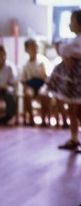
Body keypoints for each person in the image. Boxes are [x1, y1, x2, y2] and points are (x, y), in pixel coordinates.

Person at [47, 9, 81, 153]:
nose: (69, 24)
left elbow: (63, 49)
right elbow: (63, 49)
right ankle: (74, 139)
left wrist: (65, 54)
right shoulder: (75, 40)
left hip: (78, 82)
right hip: (73, 83)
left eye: (72, 22)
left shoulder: (77, 41)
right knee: (73, 110)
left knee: (78, 111)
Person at [20, 38, 53, 127]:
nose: (34, 49)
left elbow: (48, 77)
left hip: (42, 84)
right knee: (27, 94)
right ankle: (31, 118)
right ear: (26, 50)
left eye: (36, 47)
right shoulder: (25, 64)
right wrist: (25, 88)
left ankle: (44, 119)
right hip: (30, 85)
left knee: (43, 94)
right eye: (31, 47)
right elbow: (23, 79)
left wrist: (45, 86)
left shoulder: (43, 61)